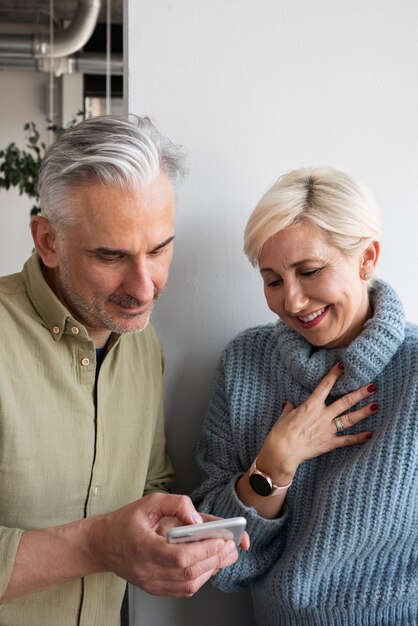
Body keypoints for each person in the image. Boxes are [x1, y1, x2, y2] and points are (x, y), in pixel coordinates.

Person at [0, 115, 247, 626]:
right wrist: (97, 545)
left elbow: (147, 482)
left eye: (158, 249)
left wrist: (177, 534)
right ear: (47, 240)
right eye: (110, 256)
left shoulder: (143, 346)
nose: (144, 287)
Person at [192, 167, 418, 625]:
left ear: (367, 258)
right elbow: (216, 558)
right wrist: (272, 466)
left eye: (310, 271)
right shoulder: (244, 364)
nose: (292, 301)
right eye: (273, 280)